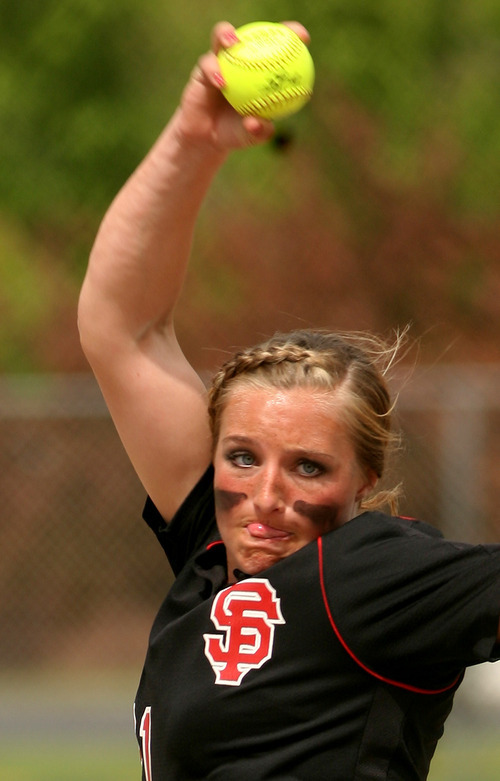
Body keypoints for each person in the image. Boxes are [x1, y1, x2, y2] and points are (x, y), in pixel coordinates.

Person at [78, 21, 500, 781]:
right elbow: (123, 329)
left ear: (363, 480)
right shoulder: (213, 546)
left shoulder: (373, 574)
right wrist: (192, 140)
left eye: (308, 467)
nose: (264, 495)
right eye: (241, 455)